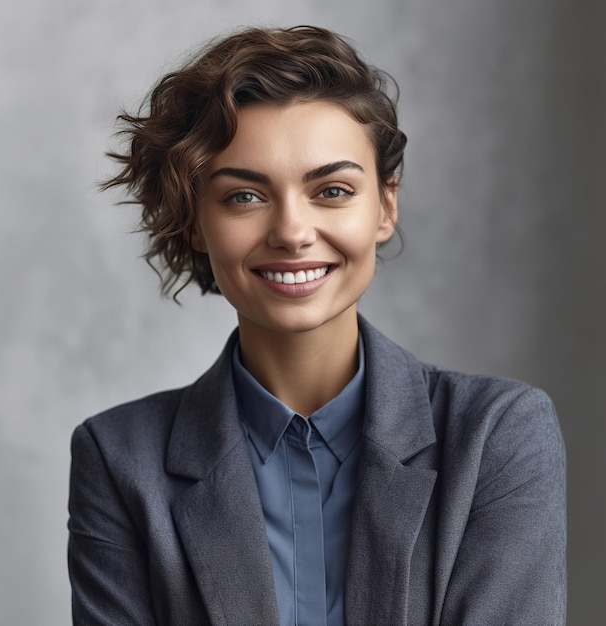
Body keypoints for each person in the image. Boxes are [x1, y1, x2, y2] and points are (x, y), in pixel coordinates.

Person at [67, 25, 566, 625]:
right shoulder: (120, 457)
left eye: (331, 190)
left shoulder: (497, 435)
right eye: (243, 198)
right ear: (195, 223)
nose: (293, 231)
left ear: (384, 206)